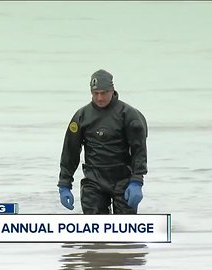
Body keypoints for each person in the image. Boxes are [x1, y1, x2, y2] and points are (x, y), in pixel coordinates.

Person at [57, 69, 147, 214]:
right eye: (95, 93)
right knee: (96, 231)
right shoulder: (81, 116)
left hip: (123, 179)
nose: (99, 98)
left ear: (112, 90)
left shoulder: (130, 115)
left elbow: (139, 150)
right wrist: (64, 184)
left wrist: (137, 180)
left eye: (103, 92)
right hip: (94, 181)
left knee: (125, 232)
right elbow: (70, 152)